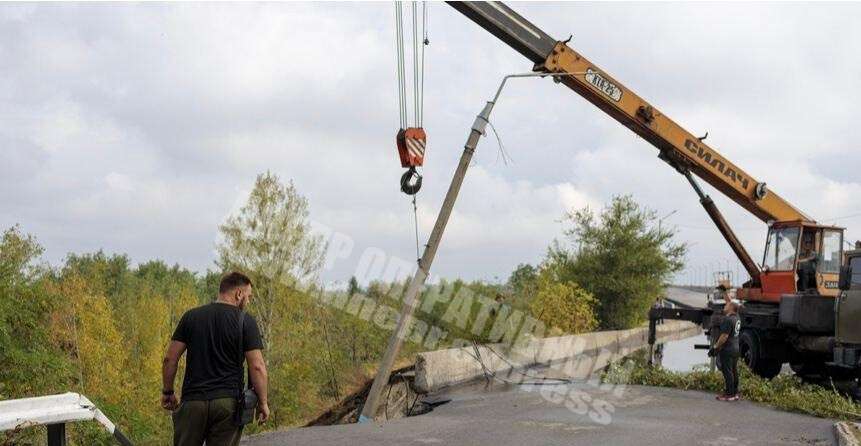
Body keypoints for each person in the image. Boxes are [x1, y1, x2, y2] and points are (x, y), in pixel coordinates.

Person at [161, 271, 270, 446]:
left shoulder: (191, 316)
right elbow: (257, 366)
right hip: (228, 404)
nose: (248, 301)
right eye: (248, 296)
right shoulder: (246, 321)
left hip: (192, 402)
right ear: (238, 294)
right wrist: (263, 402)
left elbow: (170, 359)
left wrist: (168, 392)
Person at [709, 300, 741, 401]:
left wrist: (715, 347)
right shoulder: (737, 318)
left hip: (727, 349)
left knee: (727, 371)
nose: (725, 306)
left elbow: (724, 336)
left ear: (731, 307)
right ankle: (735, 392)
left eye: (727, 305)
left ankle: (729, 394)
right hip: (736, 348)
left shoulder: (727, 320)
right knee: (734, 370)